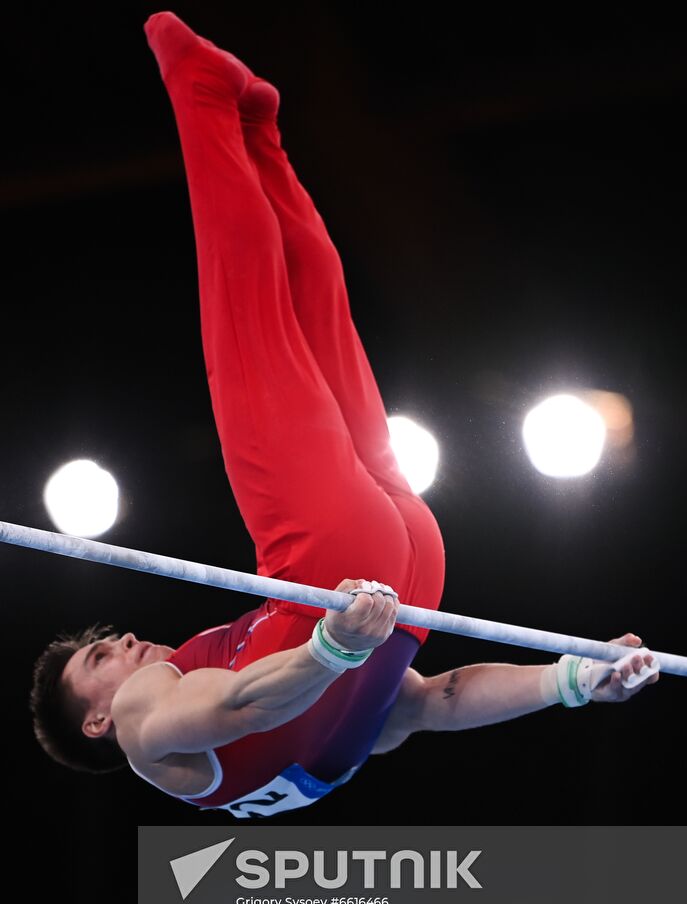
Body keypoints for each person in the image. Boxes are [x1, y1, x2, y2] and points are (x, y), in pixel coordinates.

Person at [29, 12, 659, 819]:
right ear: (96, 720)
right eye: (97, 661)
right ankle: (201, 93)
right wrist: (330, 646)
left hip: (401, 573)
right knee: (249, 324)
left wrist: (571, 681)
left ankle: (259, 130)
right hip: (331, 572)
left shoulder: (234, 715)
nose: (119, 645)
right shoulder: (145, 724)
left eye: (102, 645)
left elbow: (433, 703)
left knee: (318, 321)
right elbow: (240, 708)